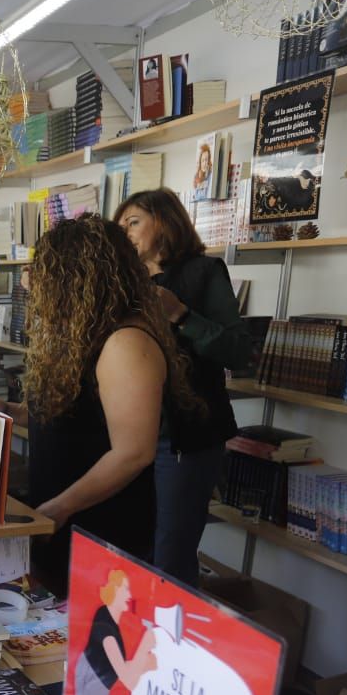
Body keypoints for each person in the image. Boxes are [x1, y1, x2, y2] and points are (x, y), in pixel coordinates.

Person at [0, 215, 201, 581]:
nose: (34, 282)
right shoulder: (84, 333)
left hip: (100, 527)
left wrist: (60, 508)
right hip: (64, 518)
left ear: (75, 278)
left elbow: (132, 452)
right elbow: (79, 417)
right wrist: (14, 412)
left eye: (46, 272)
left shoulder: (126, 343)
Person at [115, 189, 248, 585]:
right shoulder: (125, 282)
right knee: (130, 548)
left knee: (170, 556)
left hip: (184, 437)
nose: (124, 232)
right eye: (119, 224)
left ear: (165, 222)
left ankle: (169, 641)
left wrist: (180, 314)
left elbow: (238, 351)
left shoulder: (204, 272)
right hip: (128, 436)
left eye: (133, 222)